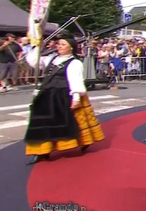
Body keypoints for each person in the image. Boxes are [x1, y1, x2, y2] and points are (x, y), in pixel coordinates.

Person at [23, 32, 104, 164]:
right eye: (59, 44)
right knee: (42, 123)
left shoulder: (75, 63)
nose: (59, 46)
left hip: (63, 96)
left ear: (71, 47)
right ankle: (41, 152)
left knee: (73, 122)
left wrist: (76, 98)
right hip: (47, 95)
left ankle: (83, 141)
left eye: (62, 44)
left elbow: (75, 81)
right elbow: (33, 61)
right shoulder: (52, 58)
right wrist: (38, 46)